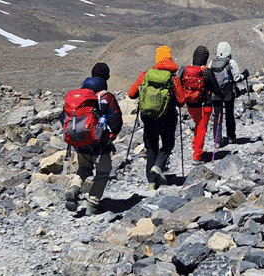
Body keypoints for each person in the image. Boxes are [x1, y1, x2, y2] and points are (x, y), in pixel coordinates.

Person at [64, 62, 122, 216]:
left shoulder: (79, 97)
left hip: (80, 141)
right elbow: (116, 121)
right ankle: (92, 205)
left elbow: (64, 118)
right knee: (103, 173)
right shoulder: (106, 97)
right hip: (100, 143)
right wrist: (112, 134)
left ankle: (74, 188)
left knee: (83, 168)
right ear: (107, 77)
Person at [128, 45, 181, 189]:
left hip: (149, 117)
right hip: (168, 117)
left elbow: (131, 94)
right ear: (169, 58)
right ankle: (158, 166)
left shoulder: (146, 75)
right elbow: (181, 101)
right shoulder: (173, 78)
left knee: (151, 147)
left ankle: (152, 183)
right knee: (168, 144)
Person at [178, 46, 223, 163]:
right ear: (205, 58)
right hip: (205, 105)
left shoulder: (186, 70)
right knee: (202, 128)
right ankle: (197, 156)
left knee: (198, 126)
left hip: (190, 104)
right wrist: (223, 96)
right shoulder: (206, 71)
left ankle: (196, 147)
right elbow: (216, 89)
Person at [209, 41, 247, 147]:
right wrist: (245, 75)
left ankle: (217, 141)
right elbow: (237, 78)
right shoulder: (231, 62)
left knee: (218, 116)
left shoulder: (212, 63)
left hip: (216, 95)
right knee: (229, 114)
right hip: (228, 94)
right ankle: (231, 137)